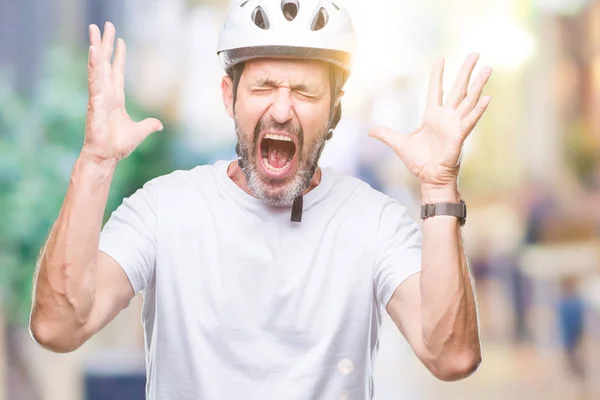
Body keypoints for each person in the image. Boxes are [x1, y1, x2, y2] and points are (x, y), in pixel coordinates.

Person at [29, 1, 493, 398]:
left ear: (334, 110)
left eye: (306, 92)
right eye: (264, 87)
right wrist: (95, 161)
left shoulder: (373, 221)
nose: (282, 109)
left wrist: (439, 186)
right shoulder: (164, 208)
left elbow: (450, 355)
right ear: (230, 96)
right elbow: (58, 326)